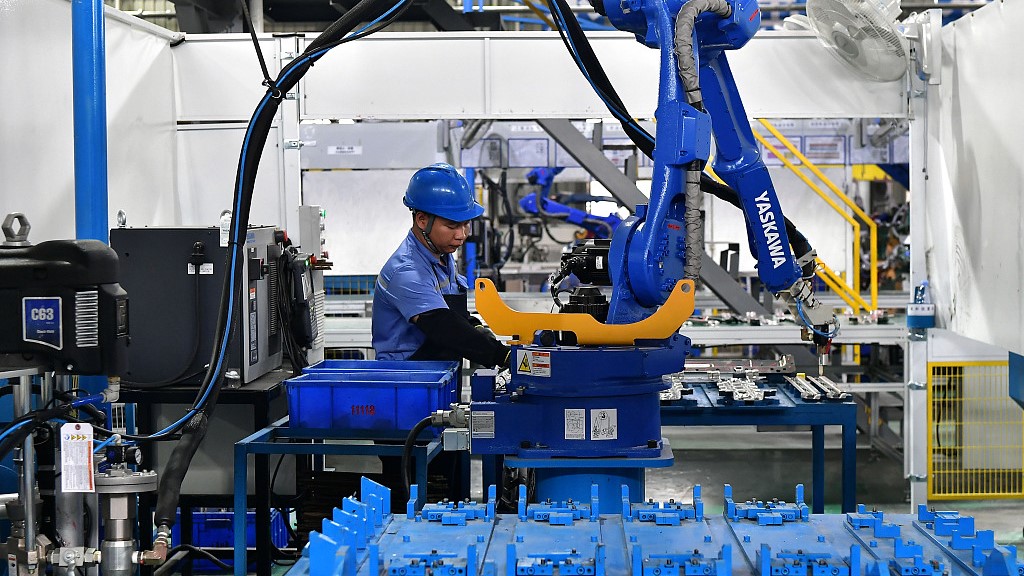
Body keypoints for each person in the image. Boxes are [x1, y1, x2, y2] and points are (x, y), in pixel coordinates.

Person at [372, 163, 510, 368]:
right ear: (422, 220)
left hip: (435, 375)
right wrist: (503, 356)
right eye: (452, 225)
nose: (462, 234)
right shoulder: (406, 271)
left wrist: (481, 333)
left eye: (466, 223)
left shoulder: (441, 256)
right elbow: (443, 326)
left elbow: (454, 316)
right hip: (407, 380)